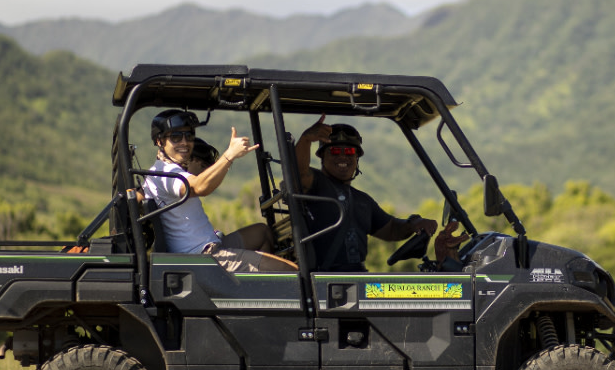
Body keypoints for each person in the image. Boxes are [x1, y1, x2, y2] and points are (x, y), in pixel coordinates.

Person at [143, 109, 294, 273]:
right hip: (203, 257)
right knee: (292, 272)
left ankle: (254, 286)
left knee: (262, 232)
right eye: (176, 137)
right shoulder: (165, 173)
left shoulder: (166, 170)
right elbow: (198, 187)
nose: (185, 143)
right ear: (159, 141)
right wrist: (229, 155)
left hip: (211, 245)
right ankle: (260, 278)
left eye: (189, 136)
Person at [295, 115, 437, 271]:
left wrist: (413, 223)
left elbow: (391, 230)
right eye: (335, 151)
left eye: (349, 151)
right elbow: (298, 174)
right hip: (325, 281)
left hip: (356, 277)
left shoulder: (362, 200)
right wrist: (306, 139)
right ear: (322, 156)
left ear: (357, 158)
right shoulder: (315, 184)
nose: (343, 156)